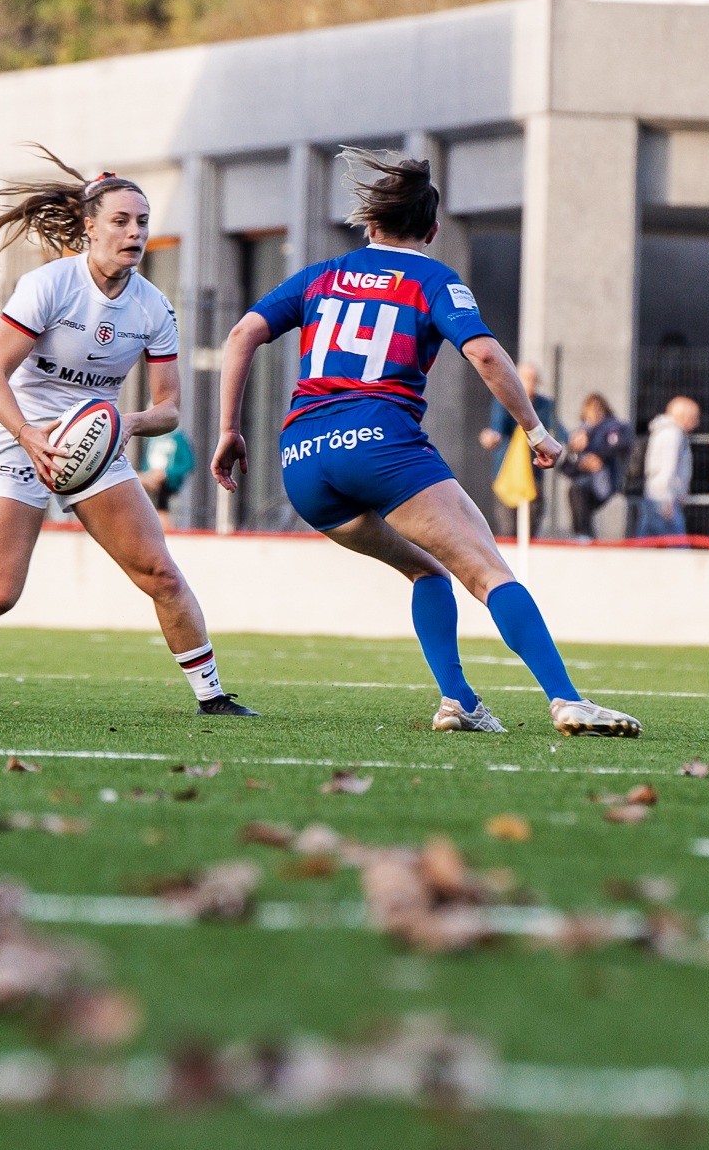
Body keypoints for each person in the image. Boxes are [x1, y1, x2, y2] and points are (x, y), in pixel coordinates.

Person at [212, 149, 640, 739]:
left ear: (369, 225)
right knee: (488, 572)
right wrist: (536, 431)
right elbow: (485, 353)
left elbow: (242, 333)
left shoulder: (321, 275)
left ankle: (459, 699)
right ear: (433, 231)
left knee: (427, 570)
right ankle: (566, 699)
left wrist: (230, 429)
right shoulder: (433, 278)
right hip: (379, 443)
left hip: (303, 460)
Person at [0, 150, 253, 717]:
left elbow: (169, 407)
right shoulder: (47, 286)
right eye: (121, 221)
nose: (134, 232)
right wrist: (27, 435)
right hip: (17, 432)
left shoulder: (153, 307)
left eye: (142, 222)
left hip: (98, 441)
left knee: (161, 572)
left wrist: (129, 422)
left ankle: (213, 698)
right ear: (89, 226)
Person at [478, 363, 564, 536]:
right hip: (508, 469)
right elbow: (498, 428)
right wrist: (492, 437)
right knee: (508, 525)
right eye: (525, 378)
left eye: (533, 379)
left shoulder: (544, 405)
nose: (529, 383)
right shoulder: (504, 400)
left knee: (533, 520)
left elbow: (557, 428)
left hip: (534, 470)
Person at [558, 393, 633, 541]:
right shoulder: (580, 433)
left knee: (578, 492)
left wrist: (597, 456)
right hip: (585, 482)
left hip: (606, 482)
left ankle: (584, 535)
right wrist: (577, 455)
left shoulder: (614, 428)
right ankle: (583, 535)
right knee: (576, 492)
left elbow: (620, 445)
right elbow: (566, 468)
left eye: (598, 409)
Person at [633, 396, 699, 540]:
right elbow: (667, 467)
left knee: (645, 540)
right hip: (664, 498)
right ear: (683, 416)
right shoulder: (673, 434)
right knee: (677, 545)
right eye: (694, 417)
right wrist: (668, 500)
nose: (697, 423)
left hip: (654, 494)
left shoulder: (663, 432)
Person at [138, 428, 195, 531]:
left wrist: (166, 474)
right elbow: (145, 464)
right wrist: (148, 474)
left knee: (162, 504)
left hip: (168, 482)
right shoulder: (151, 439)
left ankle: (165, 530)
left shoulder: (179, 438)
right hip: (150, 477)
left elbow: (188, 464)